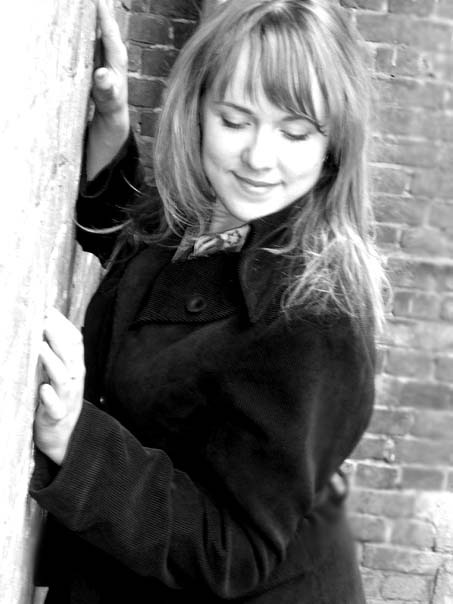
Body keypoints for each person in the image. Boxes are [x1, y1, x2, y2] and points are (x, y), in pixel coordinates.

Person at [30, 0, 387, 602]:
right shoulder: (213, 216)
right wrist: (111, 132)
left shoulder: (317, 322)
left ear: (334, 147)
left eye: (295, 132)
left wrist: (76, 441)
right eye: (235, 120)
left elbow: (233, 553)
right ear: (196, 110)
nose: (259, 157)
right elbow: (149, 270)